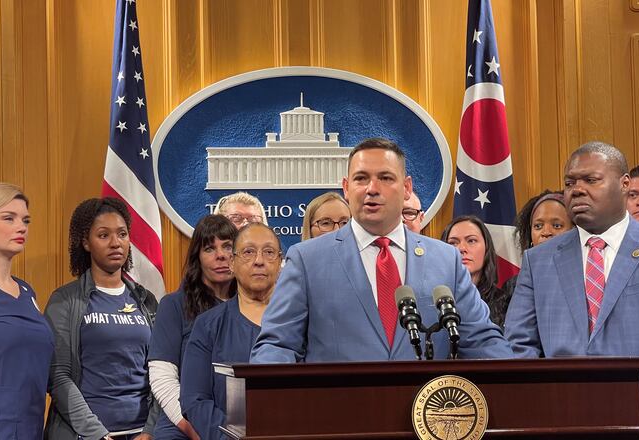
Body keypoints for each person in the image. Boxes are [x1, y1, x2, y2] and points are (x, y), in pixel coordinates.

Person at [504, 141, 639, 439]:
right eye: (570, 182)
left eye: (590, 180)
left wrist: (622, 413)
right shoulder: (538, 261)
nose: (576, 189)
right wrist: (551, 409)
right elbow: (518, 347)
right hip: (563, 424)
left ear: (624, 184)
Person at [251, 137, 512, 363]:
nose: (372, 189)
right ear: (346, 188)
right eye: (361, 178)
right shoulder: (307, 260)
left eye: (385, 178)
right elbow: (278, 345)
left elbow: (482, 340)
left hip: (425, 415)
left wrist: (520, 384)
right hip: (335, 416)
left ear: (407, 187)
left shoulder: (445, 259)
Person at [45, 197, 159, 440]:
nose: (116, 243)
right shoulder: (64, 300)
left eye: (122, 234)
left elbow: (161, 372)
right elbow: (58, 376)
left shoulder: (146, 299)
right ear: (86, 242)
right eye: (103, 235)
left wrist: (150, 430)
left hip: (143, 433)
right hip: (88, 435)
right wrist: (96, 434)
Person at [180, 223, 282, 440]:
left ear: (281, 262)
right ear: (233, 263)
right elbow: (195, 399)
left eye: (269, 252)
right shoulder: (208, 326)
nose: (259, 260)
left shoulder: (301, 322)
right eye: (248, 252)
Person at [149, 215, 238, 439]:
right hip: (183, 424)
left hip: (238, 420)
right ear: (197, 258)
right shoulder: (173, 305)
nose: (221, 255)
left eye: (227, 246)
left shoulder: (253, 307)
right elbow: (162, 379)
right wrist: (195, 430)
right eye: (209, 248)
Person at [0, 183, 54, 439]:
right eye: (8, 218)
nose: (21, 227)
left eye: (25, 220)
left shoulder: (27, 292)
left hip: (30, 428)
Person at [440, 215, 510, 329]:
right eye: (453, 243)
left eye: (471, 241)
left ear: (486, 248)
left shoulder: (506, 302)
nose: (462, 248)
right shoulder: (435, 301)